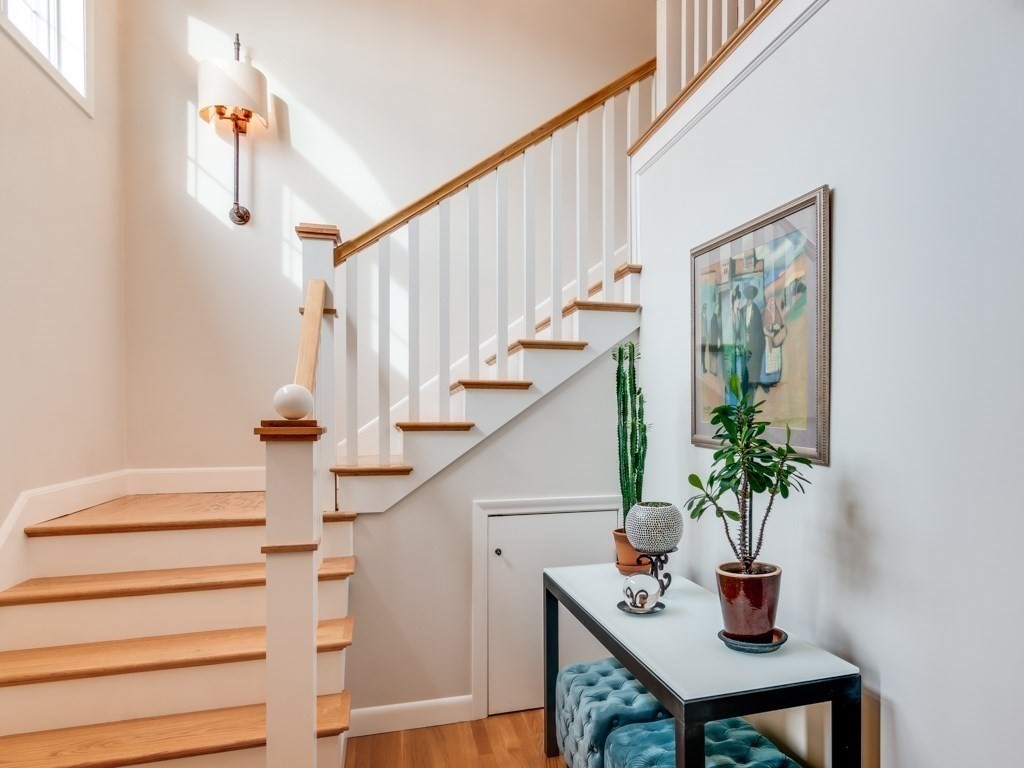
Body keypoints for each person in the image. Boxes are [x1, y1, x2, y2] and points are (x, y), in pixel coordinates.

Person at [741, 285, 764, 396]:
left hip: (754, 345)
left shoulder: (757, 311)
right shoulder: (741, 311)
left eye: (751, 298)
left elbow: (759, 331)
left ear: (753, 298)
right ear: (746, 298)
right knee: (745, 364)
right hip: (744, 344)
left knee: (753, 364)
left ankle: (753, 383)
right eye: (748, 298)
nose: (749, 300)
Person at [709, 302, 722, 377]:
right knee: (714, 355)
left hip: (715, 339)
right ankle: (714, 371)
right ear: (715, 310)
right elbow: (714, 331)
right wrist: (717, 339)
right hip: (714, 340)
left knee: (714, 355)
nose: (718, 310)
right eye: (717, 309)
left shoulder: (715, 317)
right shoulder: (714, 318)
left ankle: (713, 370)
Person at [700, 303, 708, 373]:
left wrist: (707, 336)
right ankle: (703, 369)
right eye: (704, 308)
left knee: (703, 353)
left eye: (705, 308)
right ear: (702, 308)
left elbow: (705, 328)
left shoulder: (705, 317)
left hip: (704, 337)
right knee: (701, 353)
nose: (705, 309)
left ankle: (703, 368)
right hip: (701, 337)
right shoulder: (700, 317)